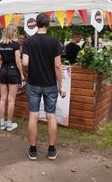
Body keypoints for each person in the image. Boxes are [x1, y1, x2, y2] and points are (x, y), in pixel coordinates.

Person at [22, 13, 66, 161]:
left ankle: (33, 150)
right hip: (50, 85)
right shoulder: (54, 42)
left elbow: (25, 63)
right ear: (47, 24)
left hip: (33, 83)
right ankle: (52, 150)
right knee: (51, 116)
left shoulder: (28, 42)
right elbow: (58, 66)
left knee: (33, 116)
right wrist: (61, 86)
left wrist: (26, 73)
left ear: (36, 24)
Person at [0, 25, 25, 132]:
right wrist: (21, 74)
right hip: (13, 72)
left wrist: (3, 56)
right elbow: (18, 61)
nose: (16, 34)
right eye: (15, 32)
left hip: (3, 71)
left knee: (2, 99)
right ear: (12, 33)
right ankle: (9, 124)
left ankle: (2, 124)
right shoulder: (15, 45)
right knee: (11, 100)